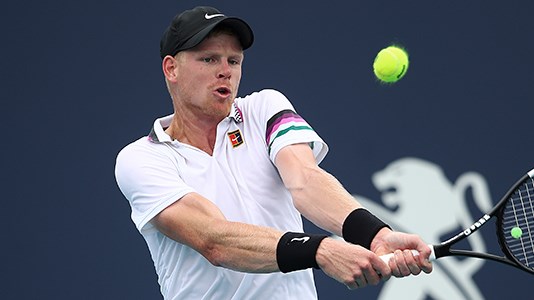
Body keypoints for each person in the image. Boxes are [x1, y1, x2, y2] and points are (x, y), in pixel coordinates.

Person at [115, 6, 433, 300]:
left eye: (234, 61)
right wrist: (319, 250)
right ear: (171, 68)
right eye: (209, 59)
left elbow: (305, 181)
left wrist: (374, 234)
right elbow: (214, 239)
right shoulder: (141, 160)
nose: (225, 71)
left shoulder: (265, 108)